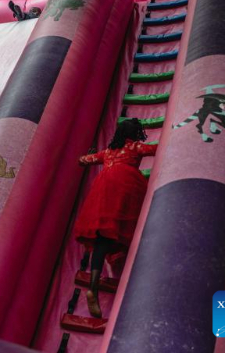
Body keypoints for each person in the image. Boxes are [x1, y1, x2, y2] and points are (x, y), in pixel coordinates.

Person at [73, 118, 157, 318]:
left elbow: (83, 160)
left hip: (103, 190)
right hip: (125, 187)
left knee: (101, 236)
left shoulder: (108, 152)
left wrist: (86, 156)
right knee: (129, 225)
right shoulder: (135, 147)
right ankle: (126, 266)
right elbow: (155, 149)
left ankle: (93, 286)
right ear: (136, 133)